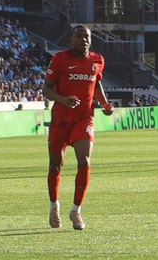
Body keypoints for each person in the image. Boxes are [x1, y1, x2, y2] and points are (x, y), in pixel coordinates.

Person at [42, 24, 114, 230]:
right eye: (79, 36)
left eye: (87, 37)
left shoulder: (97, 60)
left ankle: (76, 211)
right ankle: (54, 206)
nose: (84, 40)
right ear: (70, 40)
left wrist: (105, 104)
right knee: (56, 164)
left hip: (84, 118)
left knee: (85, 161)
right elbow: (46, 89)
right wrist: (62, 99)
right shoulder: (60, 60)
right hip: (61, 119)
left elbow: (96, 83)